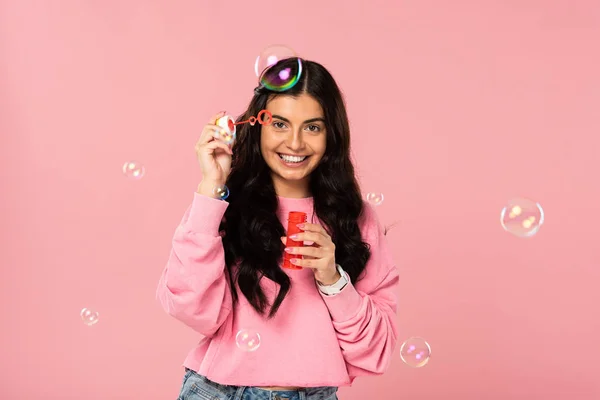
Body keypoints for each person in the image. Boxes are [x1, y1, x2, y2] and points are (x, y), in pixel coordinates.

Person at [156, 58, 400, 400]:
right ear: (257, 127)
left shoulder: (353, 219)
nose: (296, 143)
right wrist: (211, 185)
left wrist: (333, 280)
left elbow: (376, 350)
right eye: (281, 124)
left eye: (313, 127)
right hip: (219, 392)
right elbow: (191, 308)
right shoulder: (225, 205)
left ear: (332, 135)